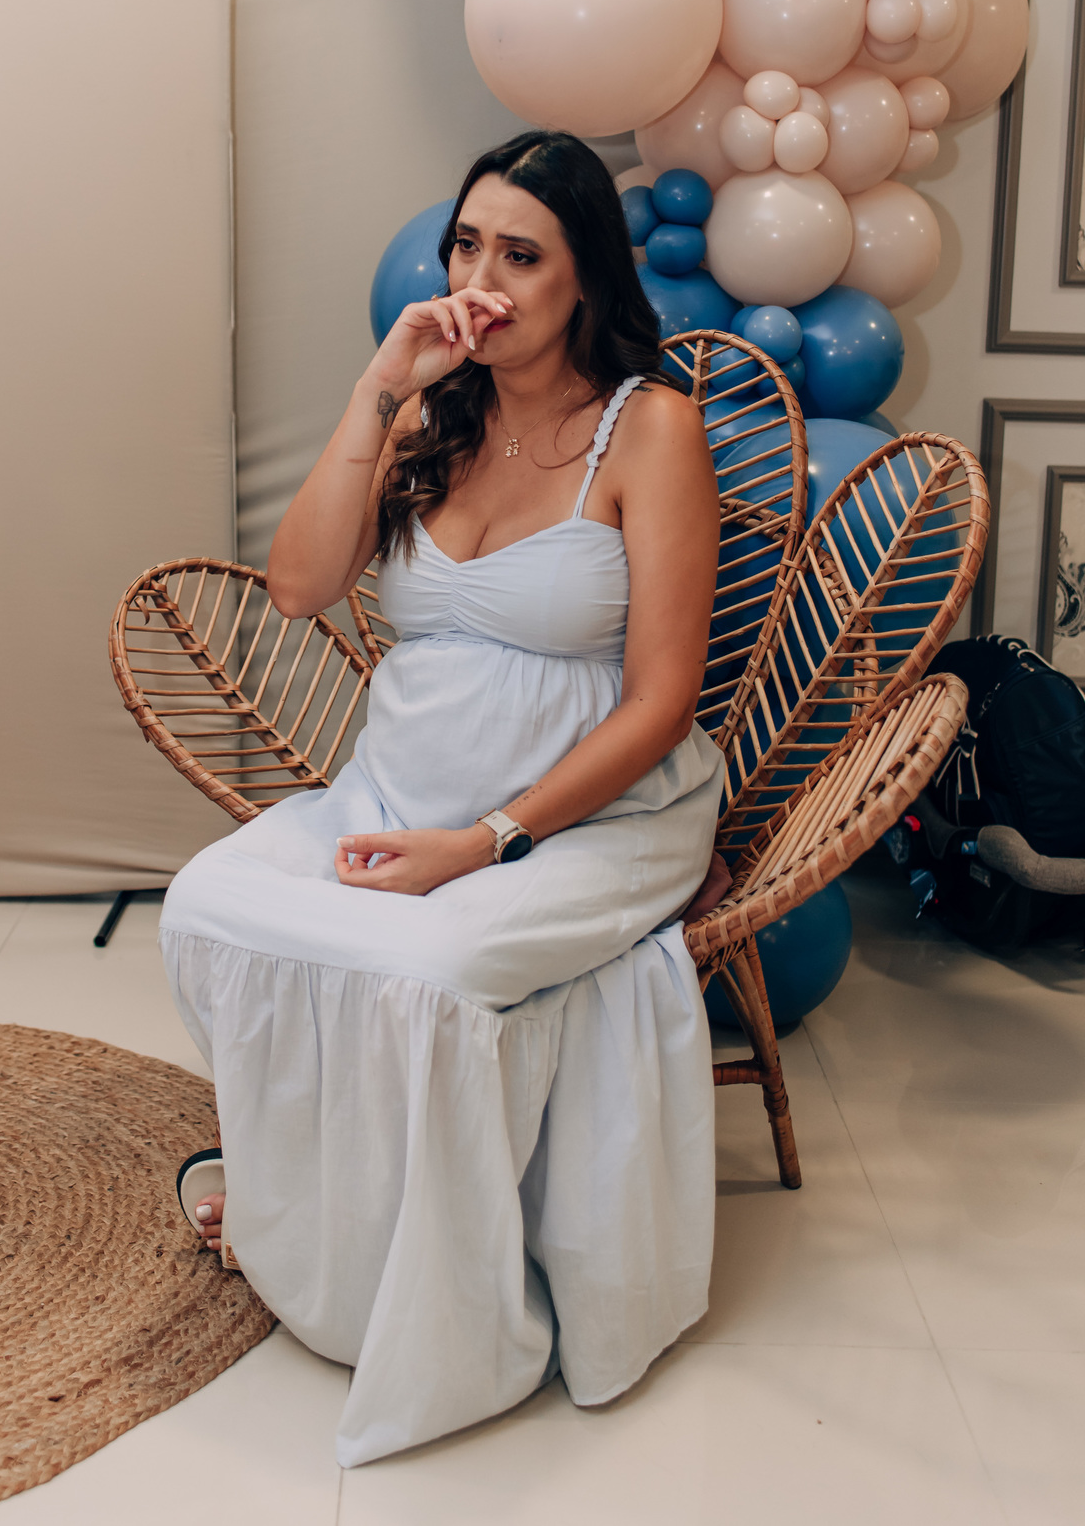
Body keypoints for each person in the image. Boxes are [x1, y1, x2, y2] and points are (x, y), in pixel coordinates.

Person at [160, 129, 724, 1467]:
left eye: (521, 254)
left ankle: (444, 1297)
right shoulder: (434, 411)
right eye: (467, 245)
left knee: (438, 967)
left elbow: (660, 703)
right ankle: (318, 1212)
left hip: (594, 816)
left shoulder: (650, 428)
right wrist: (380, 387)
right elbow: (298, 587)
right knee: (204, 906)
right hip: (397, 788)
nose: (483, 279)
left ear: (586, 277)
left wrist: (486, 842)